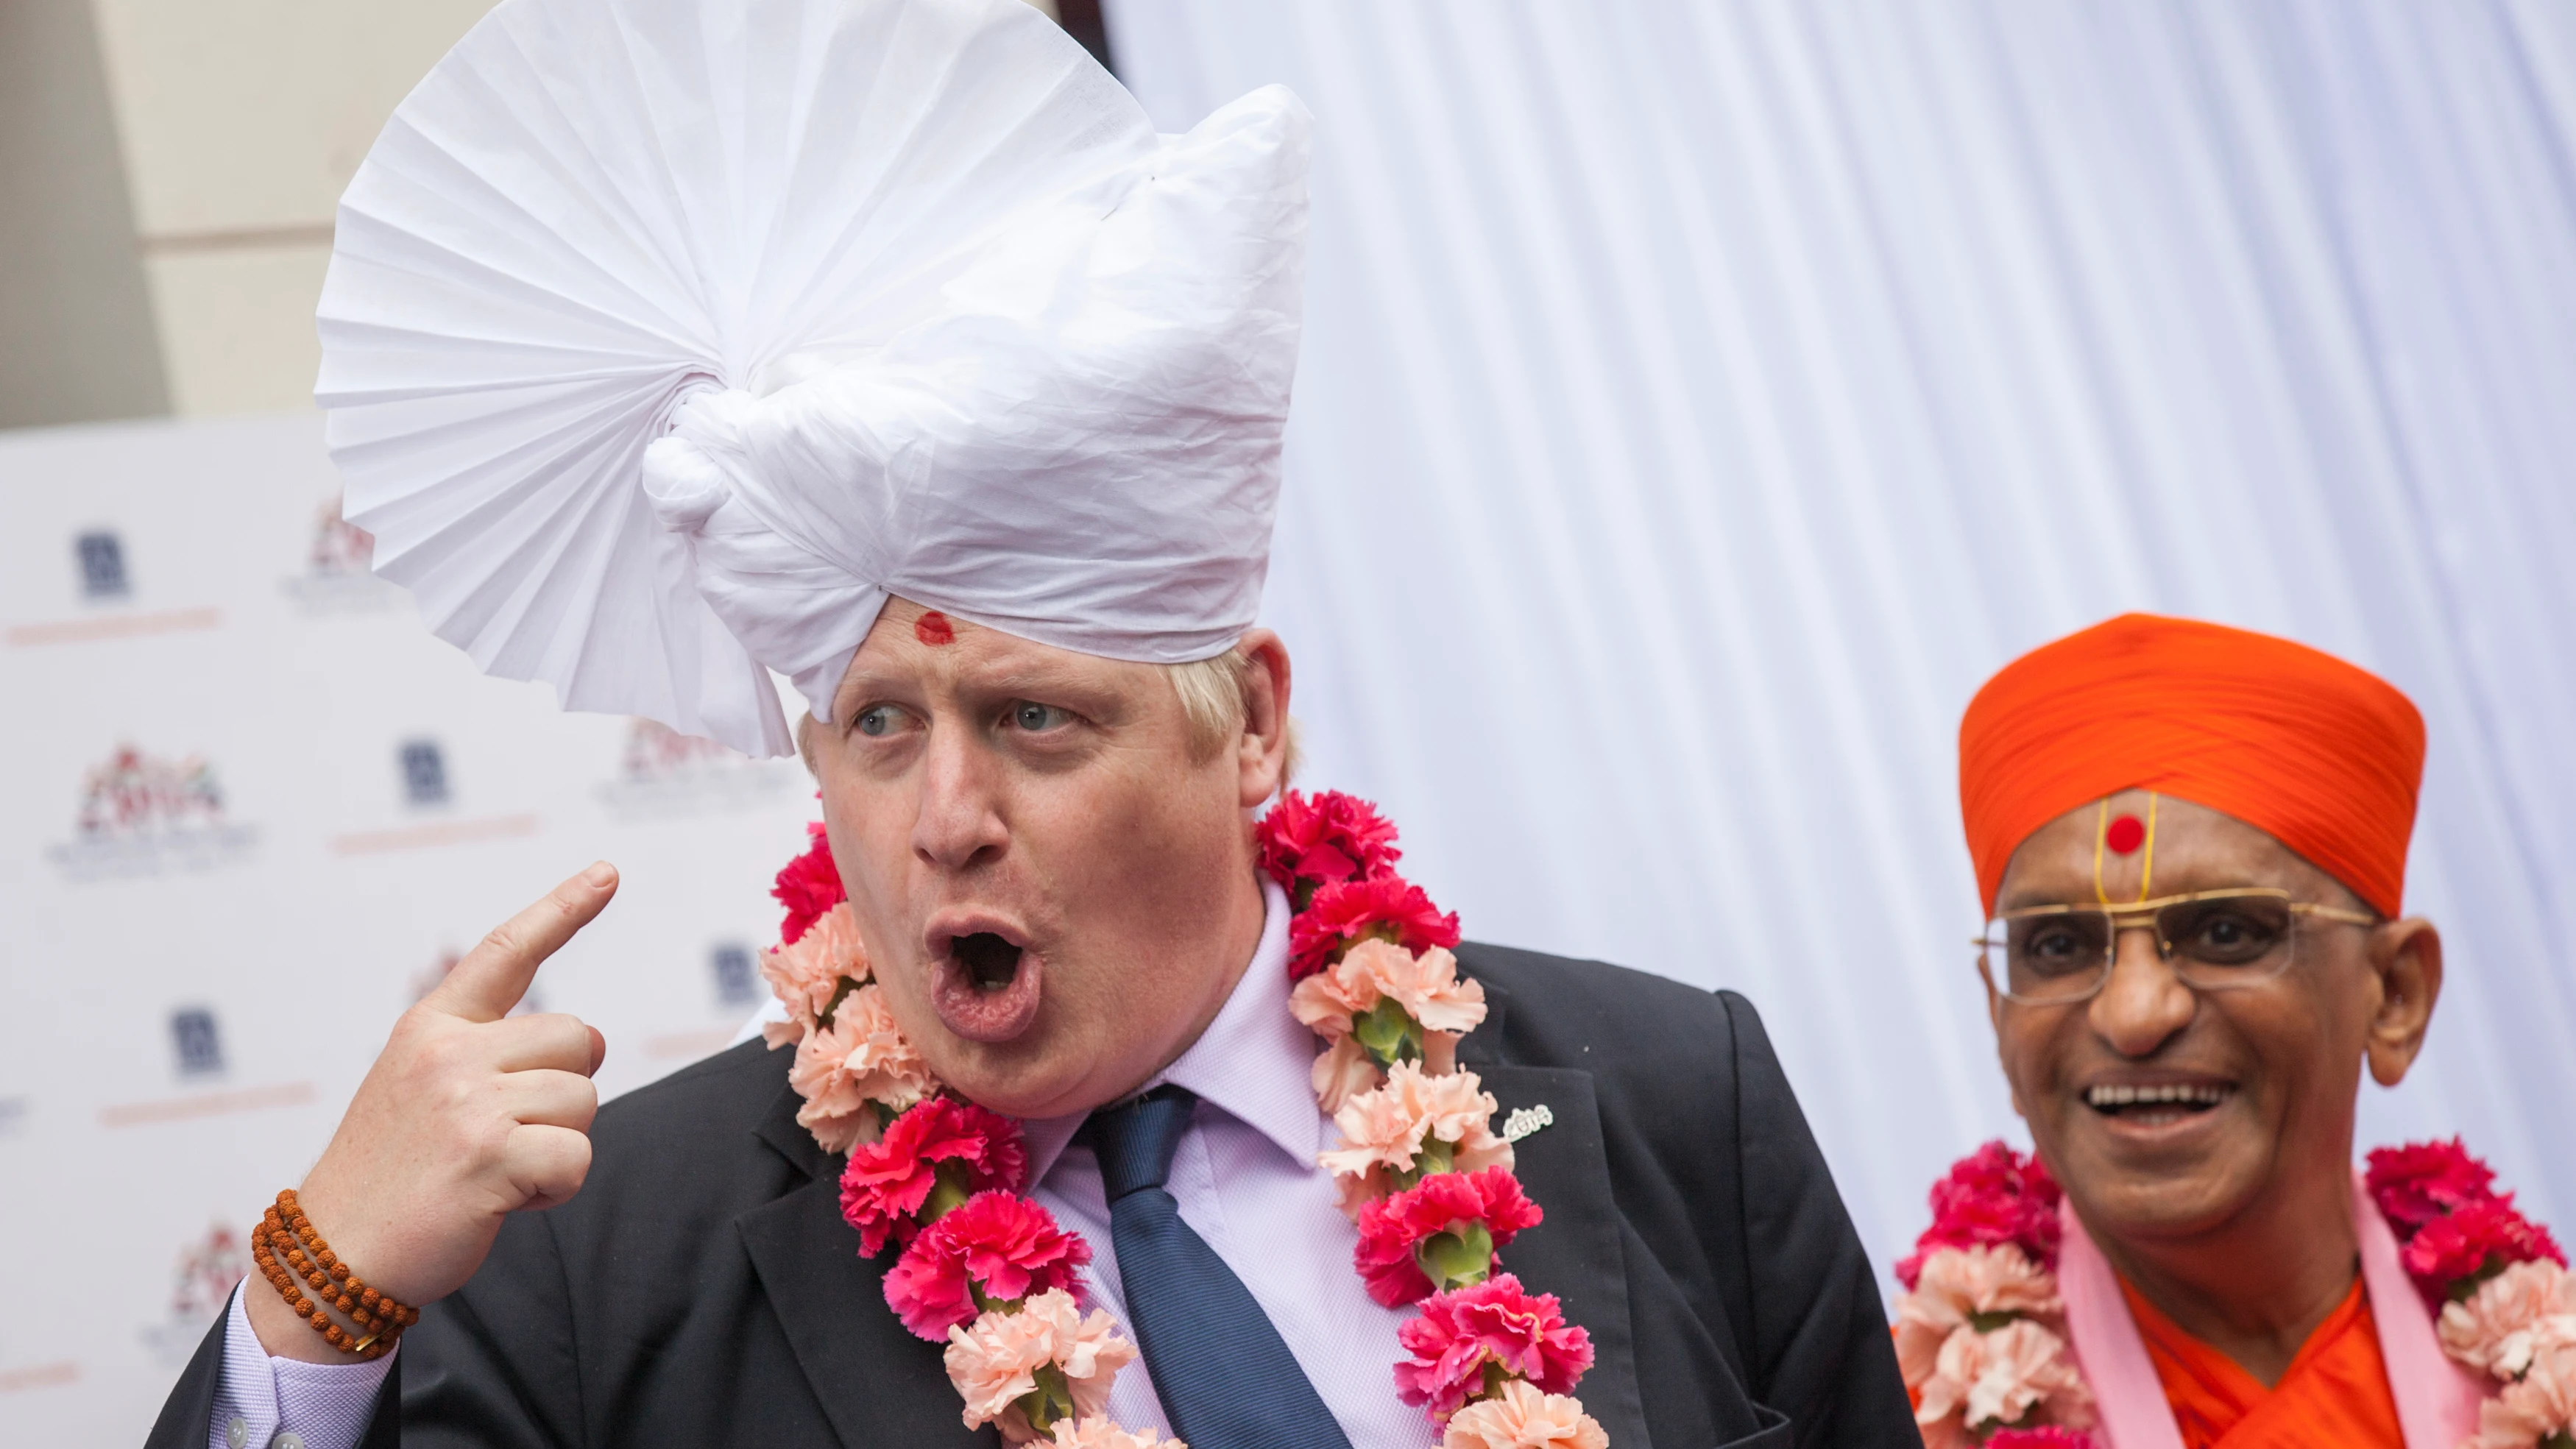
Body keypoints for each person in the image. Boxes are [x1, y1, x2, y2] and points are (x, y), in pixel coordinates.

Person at [144, 1, 1911, 1445]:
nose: (947, 816)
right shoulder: (607, 1262)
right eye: (879, 725)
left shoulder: (1674, 1100)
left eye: (1038, 720)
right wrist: (316, 1304)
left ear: (1256, 725)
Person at [1889, 613, 2572, 1449]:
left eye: (2223, 932)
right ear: (1999, 1013)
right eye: (2059, 947)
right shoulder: (1904, 1421)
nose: (2133, 1015)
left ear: (2393, 993)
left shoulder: (2548, 1382)